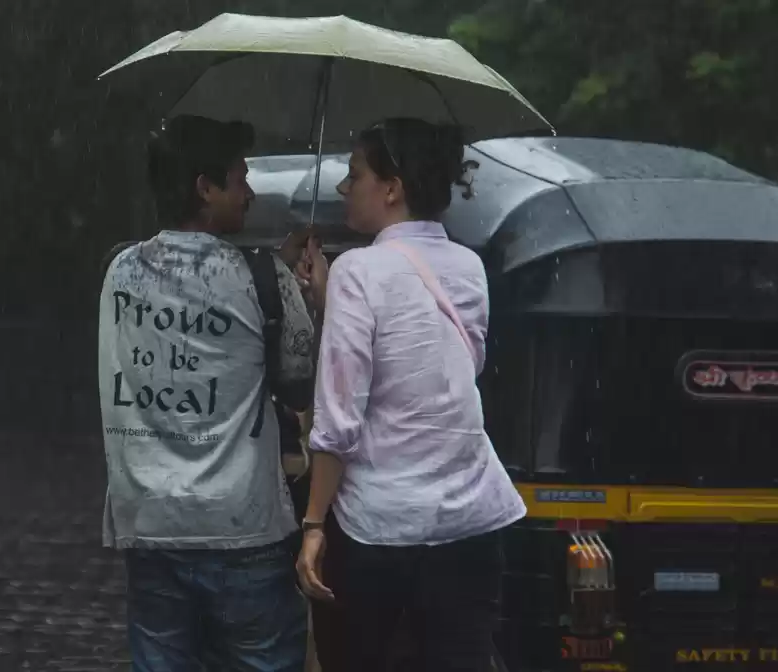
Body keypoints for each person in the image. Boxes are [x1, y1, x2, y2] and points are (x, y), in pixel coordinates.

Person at [294, 118, 527, 671]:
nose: (344, 189)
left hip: (381, 531)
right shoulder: (469, 266)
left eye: (355, 175)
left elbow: (339, 419)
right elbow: (433, 368)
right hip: (470, 524)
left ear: (392, 187)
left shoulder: (357, 271)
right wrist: (335, 300)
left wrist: (313, 525)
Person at [98, 114, 319, 672]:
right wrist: (299, 292)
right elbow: (299, 380)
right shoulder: (261, 276)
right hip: (241, 527)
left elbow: (191, 313)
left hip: (149, 524)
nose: (248, 192)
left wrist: (275, 281)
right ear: (204, 187)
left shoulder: (120, 271)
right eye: (239, 178)